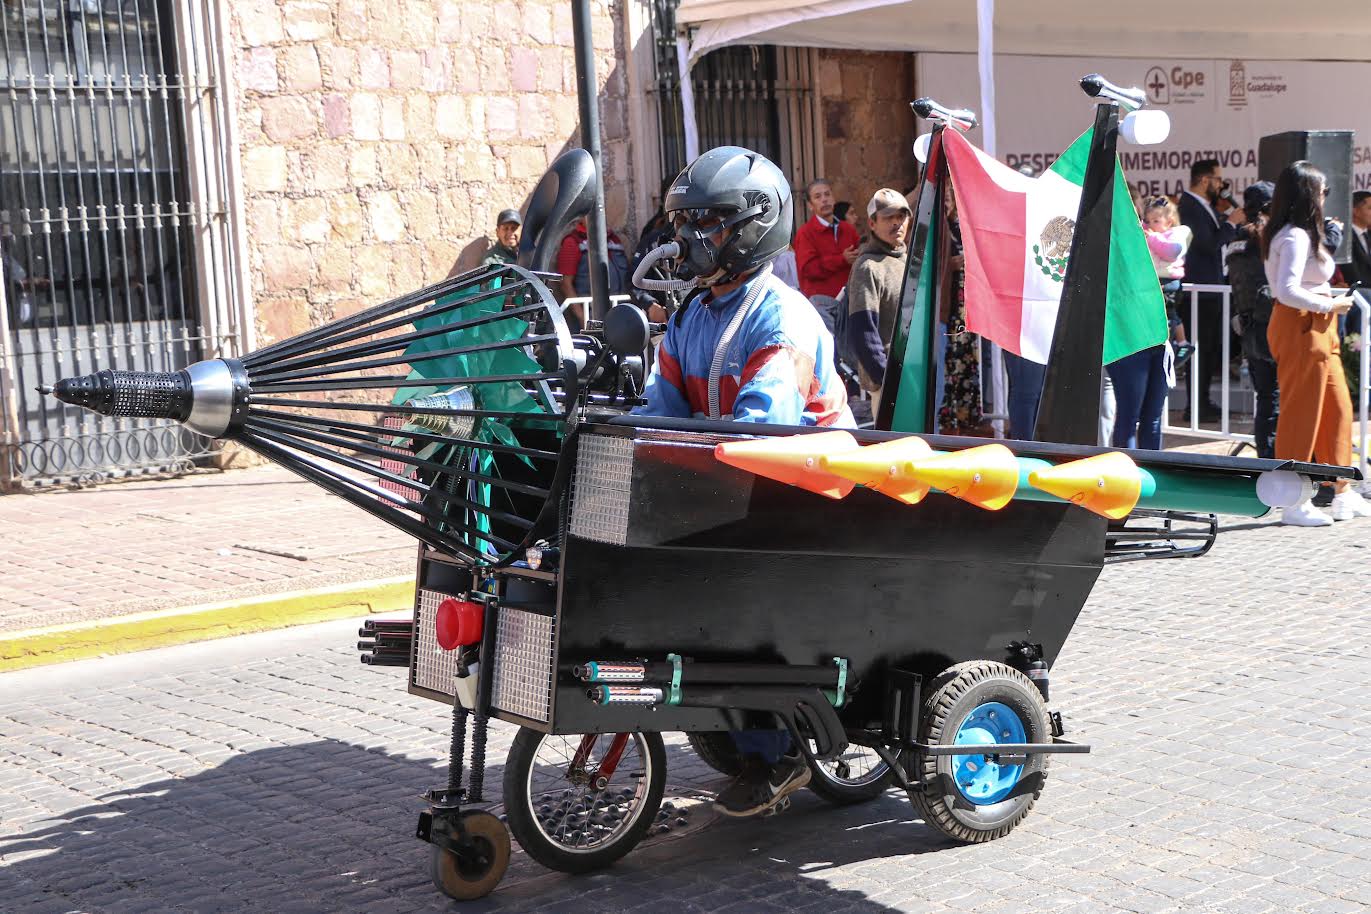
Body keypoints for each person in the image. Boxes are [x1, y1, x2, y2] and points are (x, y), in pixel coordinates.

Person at [632, 146, 853, 817]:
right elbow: (662, 409)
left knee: (744, 608)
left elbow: (766, 428)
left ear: (752, 225)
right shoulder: (692, 315)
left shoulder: (781, 318)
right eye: (683, 222)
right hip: (733, 491)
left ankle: (778, 754)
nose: (687, 237)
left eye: (706, 222)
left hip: (808, 502)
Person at [1262, 161, 1371, 525]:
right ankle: (1293, 501)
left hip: (1318, 325)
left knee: (1337, 409)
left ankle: (1341, 490)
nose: (1326, 197)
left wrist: (1328, 306)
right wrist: (1330, 305)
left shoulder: (1299, 233)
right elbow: (1286, 290)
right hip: (1302, 325)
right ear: (1309, 194)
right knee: (1302, 413)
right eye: (1323, 191)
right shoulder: (1293, 236)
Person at [1178, 159, 1244, 421]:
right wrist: (1230, 224)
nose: (1221, 185)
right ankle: (1195, 406)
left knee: (1209, 350)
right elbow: (1206, 245)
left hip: (1212, 290)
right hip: (1199, 292)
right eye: (1218, 179)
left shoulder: (1204, 207)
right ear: (1205, 180)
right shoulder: (1189, 207)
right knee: (1200, 350)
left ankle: (1202, 401)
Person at [845, 189, 911, 413]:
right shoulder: (867, 267)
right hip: (888, 381)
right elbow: (864, 331)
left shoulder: (908, 259)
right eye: (888, 217)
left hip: (913, 373)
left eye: (901, 216)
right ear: (872, 223)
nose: (897, 223)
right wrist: (886, 378)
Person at [1228, 181, 1278, 459]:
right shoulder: (1267, 237)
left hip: (1248, 325)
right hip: (1273, 324)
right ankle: (1276, 459)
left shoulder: (1236, 238)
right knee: (1276, 397)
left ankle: (1266, 459)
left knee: (1266, 396)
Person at [793, 178, 860, 334]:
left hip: (849, 304)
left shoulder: (848, 229)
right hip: (821, 307)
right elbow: (809, 269)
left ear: (833, 199)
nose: (824, 199)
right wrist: (842, 259)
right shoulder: (805, 233)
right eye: (818, 197)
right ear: (810, 205)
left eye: (827, 194)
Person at [1142, 196, 1195, 365]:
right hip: (1156, 281)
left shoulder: (1176, 235)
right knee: (1161, 314)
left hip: (1169, 282)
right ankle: (1175, 343)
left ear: (1169, 222)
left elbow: (1171, 252)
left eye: (1156, 221)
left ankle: (1183, 343)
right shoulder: (1153, 233)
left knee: (1170, 314)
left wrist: (1152, 238)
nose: (1151, 225)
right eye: (1148, 221)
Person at [556, 218, 631, 332]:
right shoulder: (572, 242)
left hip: (621, 314)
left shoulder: (614, 239)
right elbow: (566, 284)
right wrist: (583, 318)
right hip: (592, 315)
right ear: (582, 217)